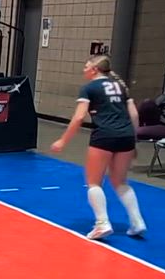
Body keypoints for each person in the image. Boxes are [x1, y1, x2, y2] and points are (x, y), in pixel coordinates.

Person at [50, 55, 147, 240]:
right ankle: (137, 221)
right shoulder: (121, 86)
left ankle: (102, 223)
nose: (84, 70)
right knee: (120, 181)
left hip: (104, 135)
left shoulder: (89, 88)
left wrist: (63, 140)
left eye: (86, 66)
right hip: (126, 136)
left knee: (94, 182)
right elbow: (134, 115)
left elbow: (79, 117)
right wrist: (134, 140)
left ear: (94, 70)